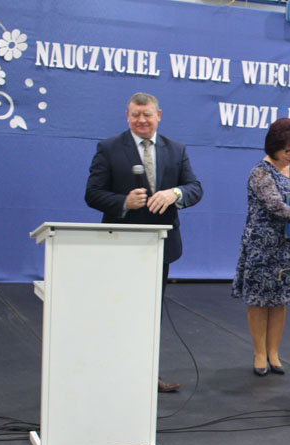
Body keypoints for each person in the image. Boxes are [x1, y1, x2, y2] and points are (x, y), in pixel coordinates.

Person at [85, 92, 203, 393]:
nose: (141, 120)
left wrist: (175, 194)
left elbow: (194, 188)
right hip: (120, 246)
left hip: (160, 246)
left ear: (158, 115)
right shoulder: (109, 148)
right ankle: (112, 373)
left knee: (150, 314)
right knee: (117, 312)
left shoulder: (176, 149)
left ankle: (146, 375)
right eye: (135, 115)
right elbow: (92, 194)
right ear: (127, 116)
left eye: (147, 114)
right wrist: (123, 202)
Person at [232, 118, 290, 377]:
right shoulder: (260, 172)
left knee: (280, 301)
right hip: (262, 246)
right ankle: (259, 353)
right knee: (259, 301)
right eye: (288, 150)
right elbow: (277, 206)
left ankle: (274, 352)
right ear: (274, 146)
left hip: (286, 245)